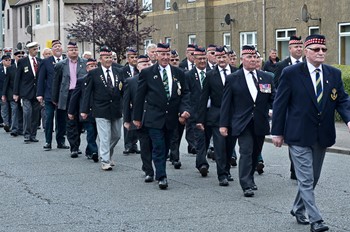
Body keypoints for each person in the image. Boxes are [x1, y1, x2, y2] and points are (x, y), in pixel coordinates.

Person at [271, 34, 350, 232]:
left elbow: (342, 100)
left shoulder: (333, 74)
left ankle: (297, 208)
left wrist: (349, 119)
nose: (321, 53)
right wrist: (277, 132)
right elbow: (280, 104)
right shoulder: (291, 73)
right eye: (316, 49)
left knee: (313, 178)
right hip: (298, 134)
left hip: (322, 134)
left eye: (323, 49)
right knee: (305, 179)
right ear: (306, 51)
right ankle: (316, 220)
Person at [133, 43, 190, 189]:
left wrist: (184, 110)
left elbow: (185, 94)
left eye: (167, 54)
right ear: (156, 55)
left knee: (165, 147)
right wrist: (137, 118)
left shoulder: (178, 73)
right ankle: (162, 176)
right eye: (162, 54)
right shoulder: (147, 73)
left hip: (171, 118)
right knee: (158, 146)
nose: (165, 57)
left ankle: (160, 169)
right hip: (154, 117)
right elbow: (139, 97)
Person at [220, 45, 275, 197]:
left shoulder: (266, 77)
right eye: (249, 57)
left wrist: (272, 110)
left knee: (256, 153)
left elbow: (273, 98)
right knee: (246, 151)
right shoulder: (233, 78)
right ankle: (246, 184)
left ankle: (250, 178)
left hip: (260, 121)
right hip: (242, 122)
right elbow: (226, 103)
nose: (253, 60)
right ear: (242, 59)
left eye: (255, 57)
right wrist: (223, 125)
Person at [197, 46, 238, 187]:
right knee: (220, 147)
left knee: (230, 145)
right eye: (218, 57)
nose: (221, 59)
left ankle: (226, 170)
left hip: (233, 116)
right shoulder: (210, 75)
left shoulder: (236, 72)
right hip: (216, 116)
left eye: (223, 56)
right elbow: (203, 98)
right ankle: (222, 175)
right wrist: (200, 120)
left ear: (228, 57)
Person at [81, 46, 125, 170]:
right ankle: (105, 160)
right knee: (105, 136)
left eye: (110, 57)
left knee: (116, 135)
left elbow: (123, 90)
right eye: (106, 57)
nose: (109, 60)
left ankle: (107, 154)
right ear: (100, 59)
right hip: (100, 109)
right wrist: (84, 110)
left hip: (116, 108)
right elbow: (87, 93)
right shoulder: (94, 73)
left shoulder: (118, 71)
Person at [274, 35, 304, 180]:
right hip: (288, 109)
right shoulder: (282, 66)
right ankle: (295, 168)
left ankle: (299, 168)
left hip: (304, 109)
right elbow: (276, 87)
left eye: (300, 46)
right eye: (296, 47)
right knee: (292, 138)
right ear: (290, 49)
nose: (299, 49)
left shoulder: (307, 64)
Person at [52, 41, 87, 158]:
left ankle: (78, 143)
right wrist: (55, 98)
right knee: (71, 121)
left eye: (76, 49)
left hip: (81, 95)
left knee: (80, 121)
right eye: (71, 50)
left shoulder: (85, 63)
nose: (74, 51)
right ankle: (74, 147)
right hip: (68, 95)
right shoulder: (60, 65)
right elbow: (56, 83)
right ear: (67, 51)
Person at [123, 55, 154, 182]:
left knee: (157, 145)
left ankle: (156, 167)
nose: (146, 66)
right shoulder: (131, 81)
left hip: (154, 117)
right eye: (143, 64)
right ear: (138, 66)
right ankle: (148, 170)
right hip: (139, 118)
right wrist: (127, 120)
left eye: (148, 64)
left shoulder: (155, 79)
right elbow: (126, 101)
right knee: (145, 145)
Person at [37, 39, 69, 151]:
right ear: (52, 49)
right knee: (49, 118)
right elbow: (41, 79)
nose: (58, 48)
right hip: (49, 95)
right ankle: (48, 141)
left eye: (59, 46)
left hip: (62, 96)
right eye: (55, 46)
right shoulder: (46, 62)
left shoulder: (66, 61)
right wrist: (39, 94)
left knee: (61, 120)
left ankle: (61, 141)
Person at [186, 46, 210, 177]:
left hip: (211, 113)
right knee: (200, 139)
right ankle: (202, 163)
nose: (202, 61)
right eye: (199, 58)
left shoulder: (212, 73)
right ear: (194, 59)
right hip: (196, 114)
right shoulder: (189, 75)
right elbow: (187, 95)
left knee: (209, 138)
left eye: (204, 58)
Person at [68, 58, 99, 162]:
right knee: (90, 131)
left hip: (98, 111)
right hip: (86, 111)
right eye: (91, 66)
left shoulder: (100, 79)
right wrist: (71, 111)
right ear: (87, 68)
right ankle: (94, 151)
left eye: (95, 66)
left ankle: (89, 150)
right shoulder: (82, 80)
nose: (93, 68)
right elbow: (74, 97)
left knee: (95, 133)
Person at [13, 42, 42, 143]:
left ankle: (33, 135)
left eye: (37, 49)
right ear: (29, 50)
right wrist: (16, 93)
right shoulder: (22, 61)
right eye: (34, 49)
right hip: (25, 92)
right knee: (27, 113)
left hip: (37, 92)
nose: (36, 51)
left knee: (35, 114)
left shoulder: (39, 61)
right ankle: (26, 134)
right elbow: (17, 78)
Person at [120, 48, 140, 155]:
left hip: (137, 100)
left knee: (136, 121)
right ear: (128, 59)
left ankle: (134, 144)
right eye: (132, 57)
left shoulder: (139, 70)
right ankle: (128, 145)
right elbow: (121, 87)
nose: (134, 59)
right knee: (127, 121)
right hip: (127, 99)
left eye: (136, 57)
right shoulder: (123, 71)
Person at [0, 54, 12, 132]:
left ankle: (11, 124)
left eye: (9, 60)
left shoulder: (13, 69)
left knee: (12, 109)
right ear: (2, 61)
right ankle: (6, 124)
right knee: (4, 109)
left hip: (11, 92)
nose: (8, 62)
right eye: (6, 60)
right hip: (1, 93)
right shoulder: (0, 70)